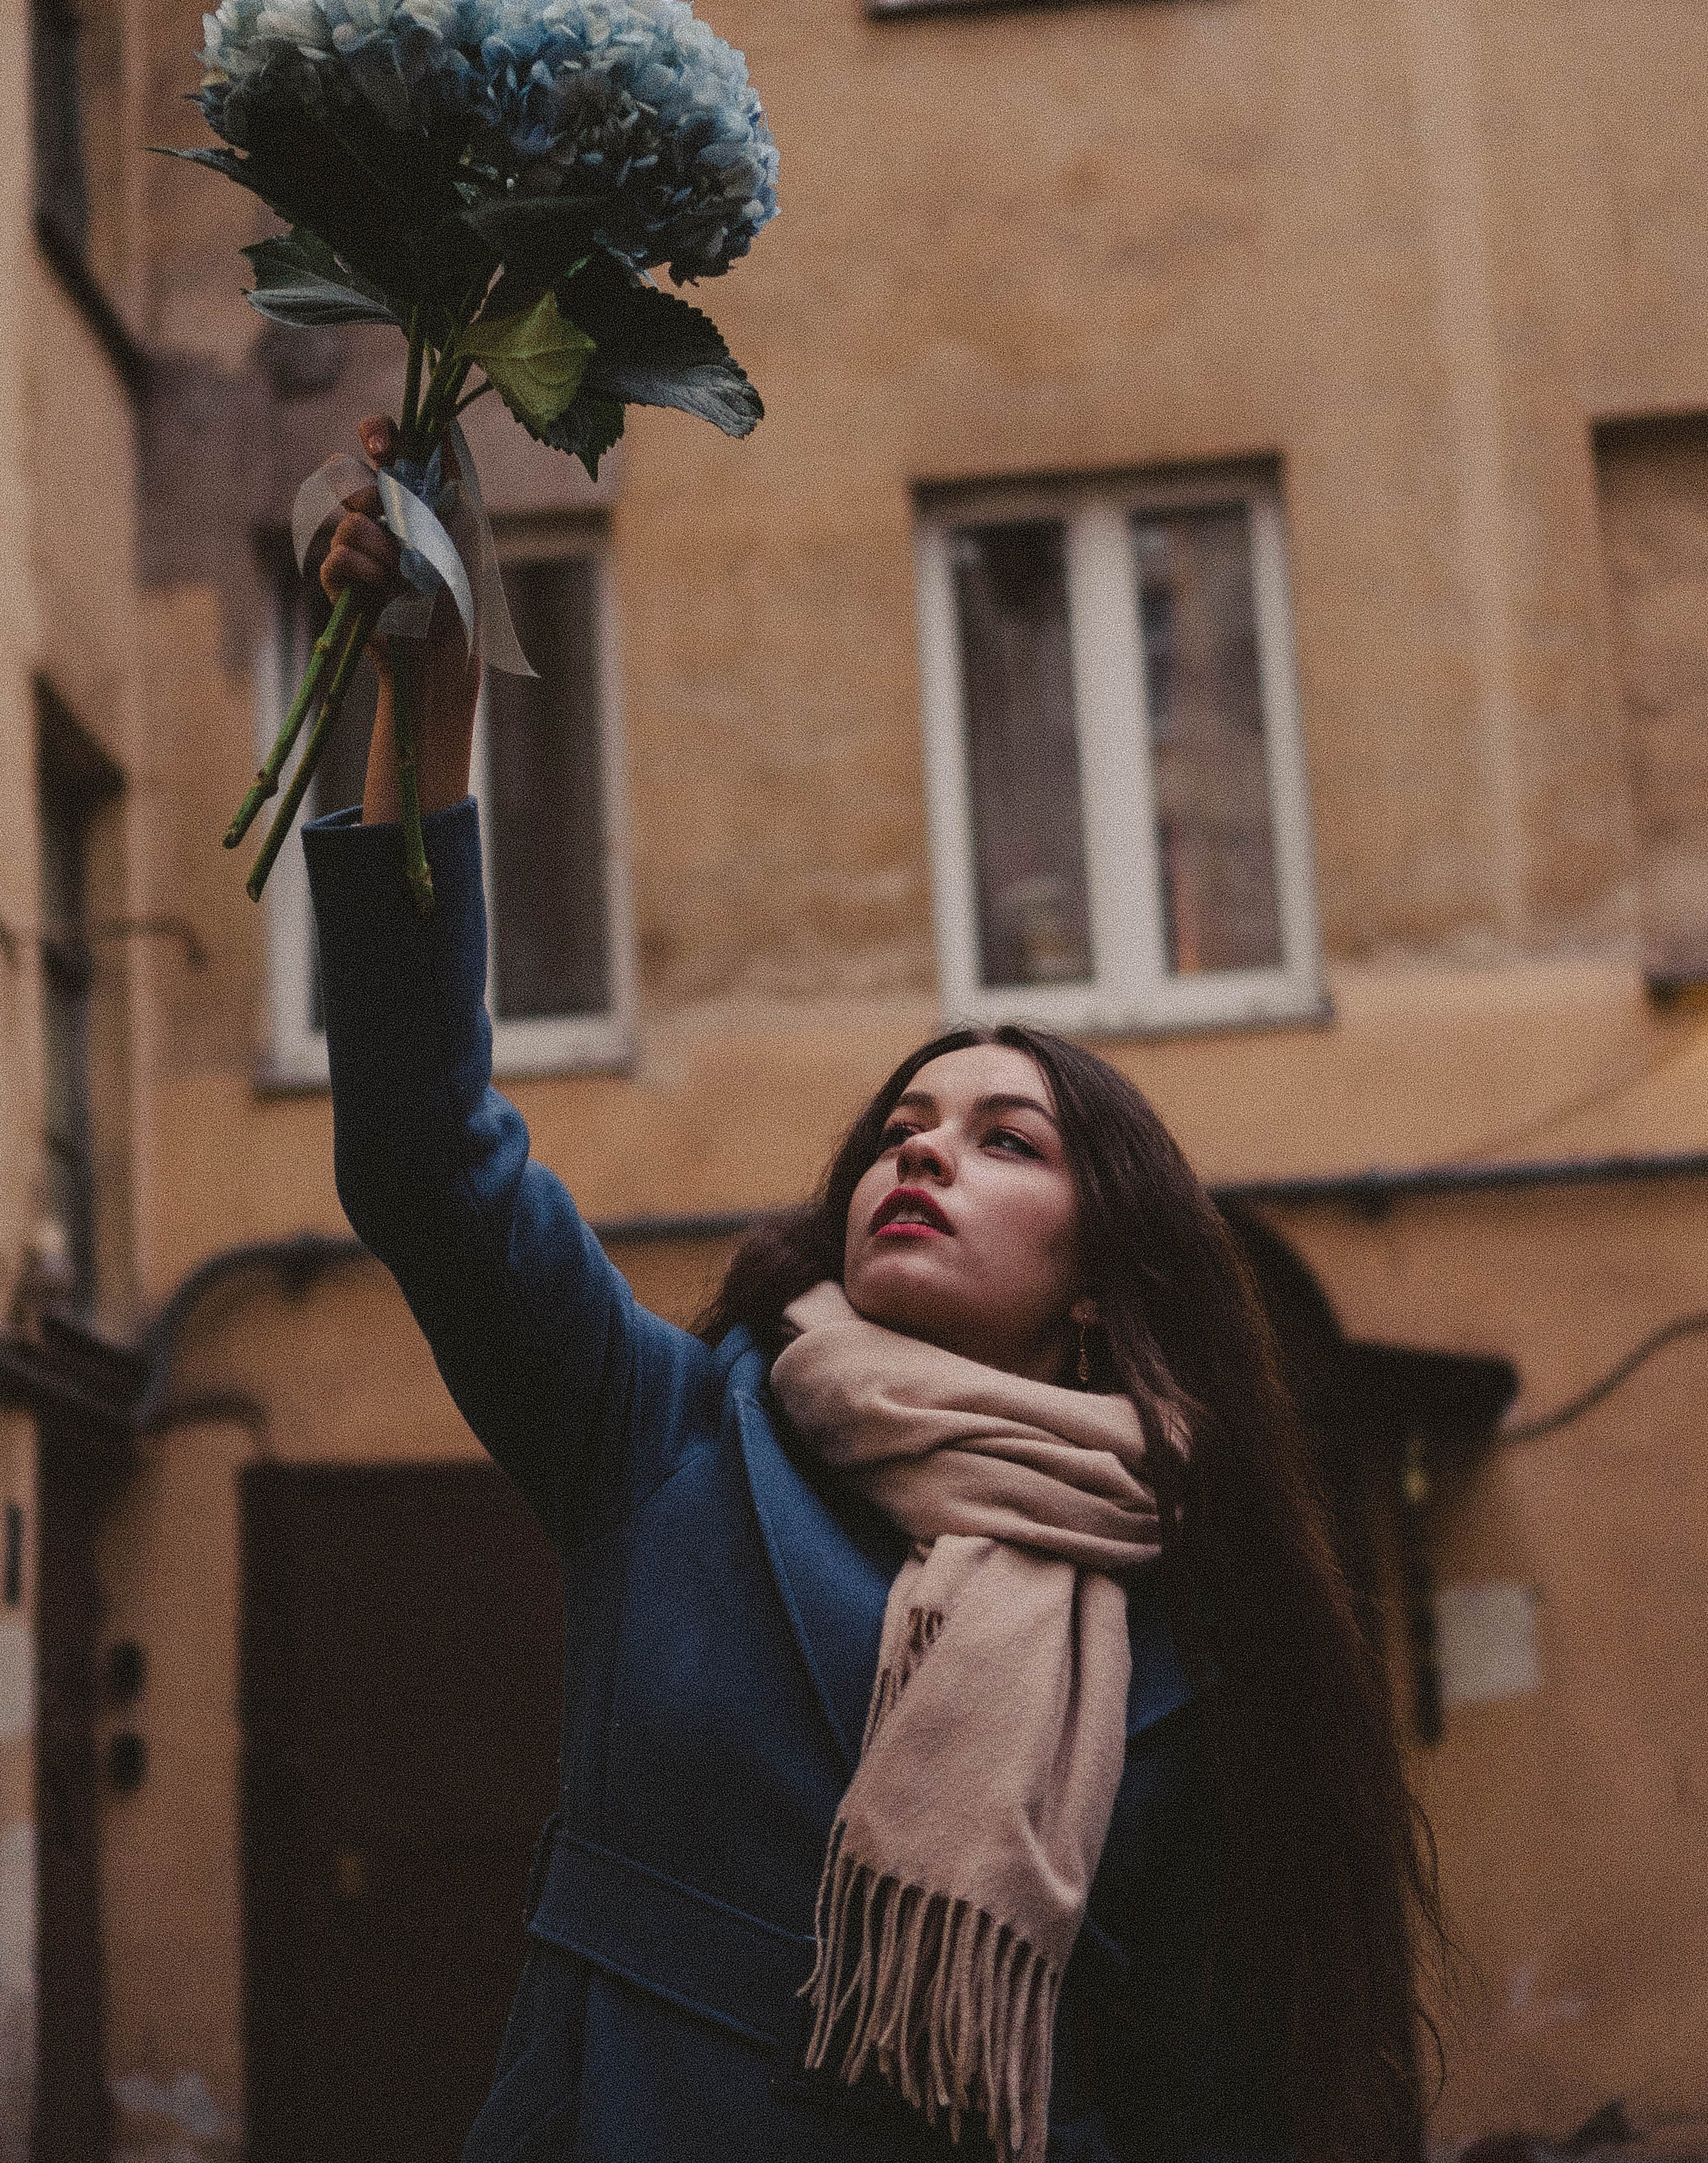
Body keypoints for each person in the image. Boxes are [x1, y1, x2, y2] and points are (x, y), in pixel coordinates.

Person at [304, 422, 1445, 2163]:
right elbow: (421, 1155)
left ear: (1101, 1277)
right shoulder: (664, 1434)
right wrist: (432, 698)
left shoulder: (1192, 1628)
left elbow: (1218, 2089)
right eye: (902, 1127)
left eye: (1006, 1142)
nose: (924, 1154)